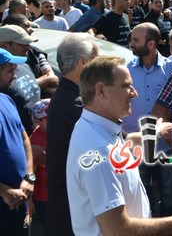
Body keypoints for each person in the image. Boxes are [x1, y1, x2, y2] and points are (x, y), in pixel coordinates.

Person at [65, 56, 172, 235]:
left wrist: (156, 132)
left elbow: (124, 144)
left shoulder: (96, 128)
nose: (134, 93)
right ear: (100, 90)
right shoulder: (100, 151)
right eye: (126, 86)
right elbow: (117, 229)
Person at [45, 33, 99, 236]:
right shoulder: (75, 103)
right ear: (83, 63)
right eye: (97, 61)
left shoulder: (70, 96)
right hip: (71, 207)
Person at [125, 23, 172, 217]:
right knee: (140, 195)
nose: (131, 43)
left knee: (169, 194)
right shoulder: (125, 70)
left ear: (151, 44)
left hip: (165, 146)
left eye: (135, 40)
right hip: (137, 148)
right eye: (131, 39)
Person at [0, 48, 35, 236]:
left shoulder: (6, 99)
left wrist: (29, 176)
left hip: (19, 201)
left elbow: (23, 138)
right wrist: (4, 191)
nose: (14, 77)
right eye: (10, 71)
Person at [0, 25, 42, 133]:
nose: (28, 47)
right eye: (22, 44)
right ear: (4, 46)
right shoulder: (3, 80)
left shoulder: (25, 65)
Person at [29, 98, 49, 236]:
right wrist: (29, 201)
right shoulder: (35, 141)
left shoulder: (54, 132)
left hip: (56, 192)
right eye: (49, 118)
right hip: (43, 197)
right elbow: (31, 172)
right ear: (38, 120)